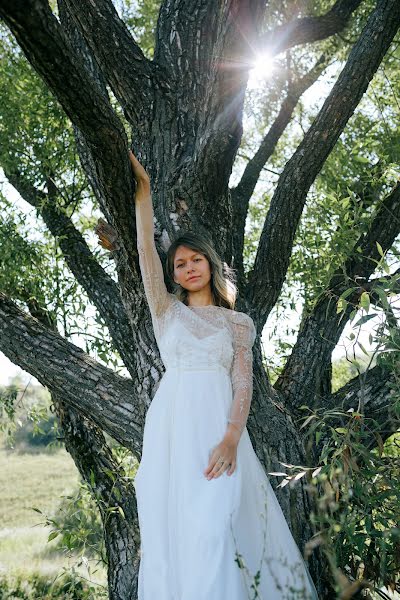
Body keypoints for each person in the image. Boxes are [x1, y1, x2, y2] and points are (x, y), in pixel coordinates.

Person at [100, 150, 319, 599]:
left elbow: (243, 382)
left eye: (195, 260)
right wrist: (144, 197)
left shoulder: (236, 324)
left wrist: (232, 437)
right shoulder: (166, 312)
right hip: (174, 432)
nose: (188, 268)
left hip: (220, 432)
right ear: (175, 275)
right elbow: (145, 254)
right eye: (180, 264)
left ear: (210, 263)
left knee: (220, 525)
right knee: (179, 530)